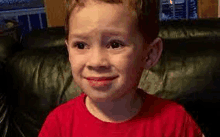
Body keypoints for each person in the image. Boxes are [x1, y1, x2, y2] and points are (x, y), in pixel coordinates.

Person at [39, 0, 204, 136]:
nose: (96, 62)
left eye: (115, 44)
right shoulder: (58, 125)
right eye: (81, 45)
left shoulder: (175, 123)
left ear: (150, 54)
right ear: (68, 50)